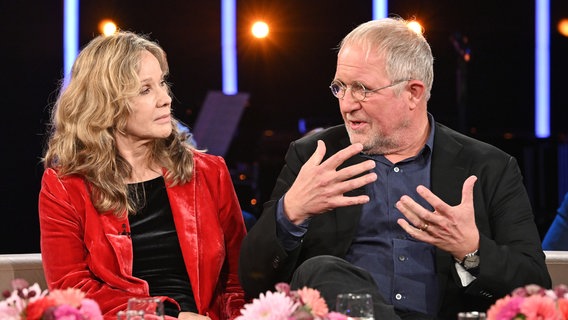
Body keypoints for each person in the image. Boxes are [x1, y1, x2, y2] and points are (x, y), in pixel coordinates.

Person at [238, 17, 551, 320]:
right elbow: (252, 282)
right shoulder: (313, 157)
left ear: (413, 93)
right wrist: (290, 214)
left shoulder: (488, 167)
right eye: (339, 87)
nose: (346, 104)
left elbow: (535, 289)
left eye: (361, 88)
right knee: (320, 270)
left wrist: (470, 250)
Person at [39, 31, 247, 320]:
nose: (166, 99)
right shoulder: (64, 187)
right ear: (106, 105)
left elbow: (237, 285)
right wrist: (162, 315)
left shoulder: (210, 174)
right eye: (145, 90)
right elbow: (71, 290)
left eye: (162, 83)